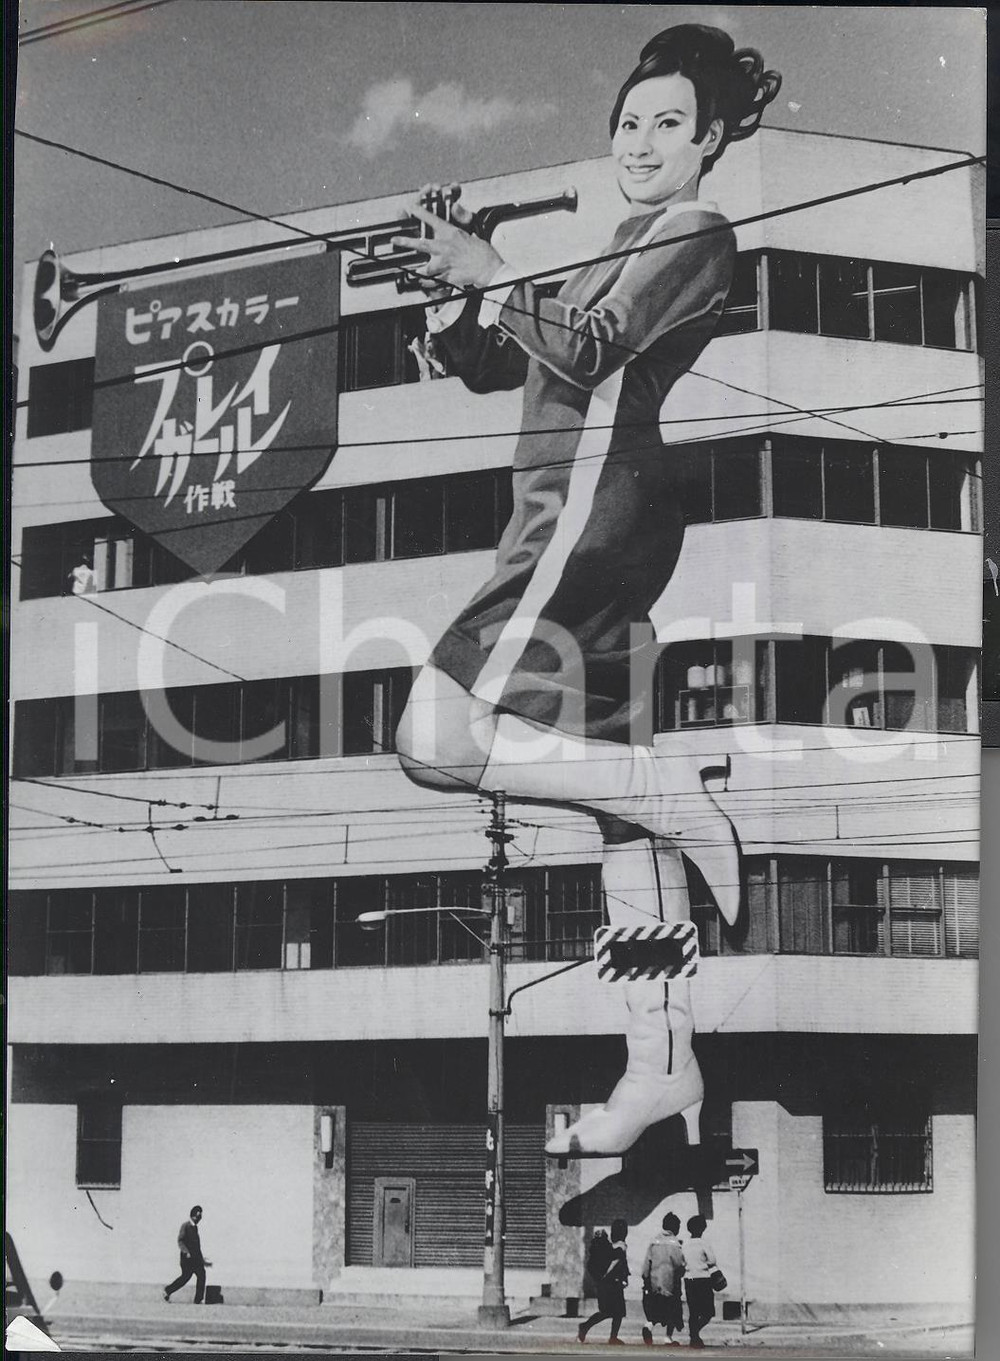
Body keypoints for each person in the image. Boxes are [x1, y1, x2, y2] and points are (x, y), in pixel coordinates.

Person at [392, 25, 781, 1157]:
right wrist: (447, 295)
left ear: (711, 138)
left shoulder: (697, 230)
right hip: (589, 512)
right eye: (628, 122)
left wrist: (492, 275)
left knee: (432, 730)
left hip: (581, 512)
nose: (641, 141)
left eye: (668, 123)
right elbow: (503, 361)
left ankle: (670, 790)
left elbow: (592, 347)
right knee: (621, 825)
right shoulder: (615, 240)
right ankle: (659, 1062)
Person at [578, 1217, 630, 1345]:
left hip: (607, 1283)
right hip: (611, 1283)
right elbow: (616, 1263)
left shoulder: (610, 1246)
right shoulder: (621, 1247)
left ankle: (612, 1337)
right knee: (611, 1312)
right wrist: (609, 1276)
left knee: (614, 1312)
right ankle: (586, 1326)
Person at [641, 1212, 685, 1346]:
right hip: (670, 1282)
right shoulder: (675, 1244)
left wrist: (646, 1278)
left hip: (654, 1282)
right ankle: (668, 1337)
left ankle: (648, 1326)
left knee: (655, 1309)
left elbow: (646, 1263)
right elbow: (679, 1265)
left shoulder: (654, 1241)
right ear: (675, 1227)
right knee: (672, 1309)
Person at [682, 1215, 719, 1349]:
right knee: (708, 1311)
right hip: (703, 1278)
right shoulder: (704, 1243)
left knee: (693, 1311)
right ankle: (694, 1334)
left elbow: (682, 1261)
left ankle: (694, 1336)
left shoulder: (684, 1243)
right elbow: (712, 1260)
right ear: (702, 1228)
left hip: (689, 1279)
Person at [163, 1205, 211, 1304]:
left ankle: (198, 1299)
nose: (200, 1218)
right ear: (193, 1216)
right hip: (187, 1259)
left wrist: (202, 1259)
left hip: (196, 1259)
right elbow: (180, 1240)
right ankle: (167, 1290)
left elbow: (197, 1247)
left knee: (202, 1274)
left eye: (200, 1216)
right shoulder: (185, 1226)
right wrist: (186, 1252)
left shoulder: (195, 1228)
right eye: (198, 1216)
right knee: (185, 1278)